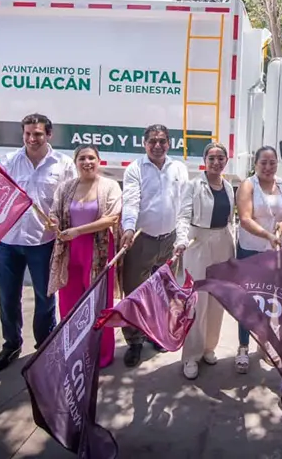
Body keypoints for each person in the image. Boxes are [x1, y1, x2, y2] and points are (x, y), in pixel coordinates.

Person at [0, 113, 76, 373]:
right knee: (8, 297)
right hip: (9, 242)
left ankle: (44, 345)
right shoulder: (9, 162)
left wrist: (61, 223)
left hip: (43, 242)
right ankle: (11, 344)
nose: (32, 138)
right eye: (27, 133)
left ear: (48, 134)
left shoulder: (63, 164)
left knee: (45, 297)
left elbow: (70, 202)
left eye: (37, 134)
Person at [119, 124, 190, 368]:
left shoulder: (179, 168)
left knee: (164, 293)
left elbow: (183, 209)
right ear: (144, 143)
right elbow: (130, 201)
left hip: (169, 240)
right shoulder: (135, 169)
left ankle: (156, 333)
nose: (157, 145)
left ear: (169, 143)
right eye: (152, 141)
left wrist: (181, 238)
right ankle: (135, 341)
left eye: (162, 141)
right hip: (141, 240)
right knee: (135, 293)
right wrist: (128, 228)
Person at [47, 145, 122, 369]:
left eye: (91, 158)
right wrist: (52, 223)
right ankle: (73, 351)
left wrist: (79, 231)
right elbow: (54, 213)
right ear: (75, 162)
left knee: (98, 304)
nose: (87, 162)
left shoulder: (109, 186)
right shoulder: (65, 187)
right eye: (82, 158)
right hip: (69, 251)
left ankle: (102, 354)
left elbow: (112, 219)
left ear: (99, 161)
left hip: (97, 249)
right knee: (69, 305)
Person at [234, 146, 282, 374]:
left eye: (272, 162)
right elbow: (244, 219)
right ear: (255, 164)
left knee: (270, 301)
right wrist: (268, 235)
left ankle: (263, 343)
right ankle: (243, 347)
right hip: (251, 250)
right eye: (263, 162)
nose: (268, 167)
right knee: (248, 302)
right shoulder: (248, 185)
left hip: (276, 253)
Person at [174, 143, 236, 380]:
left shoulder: (228, 187)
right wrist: (181, 241)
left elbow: (231, 221)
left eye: (221, 158)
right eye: (211, 158)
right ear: (204, 160)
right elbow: (183, 217)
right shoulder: (194, 186)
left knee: (216, 300)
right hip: (199, 243)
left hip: (222, 243)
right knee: (197, 301)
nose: (216, 162)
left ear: (226, 162)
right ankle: (191, 355)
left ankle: (209, 347)